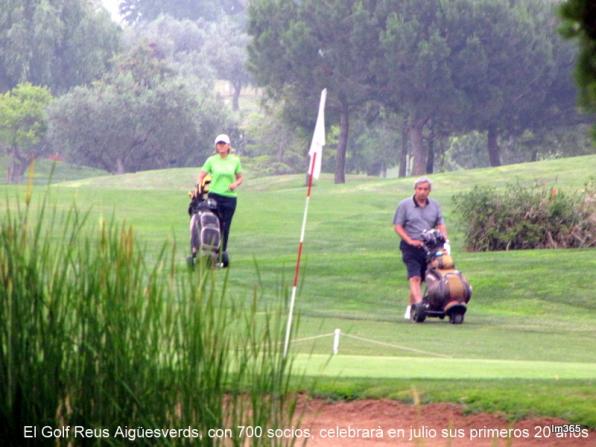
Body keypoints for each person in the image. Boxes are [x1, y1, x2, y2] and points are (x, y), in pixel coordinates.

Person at [393, 177, 448, 319]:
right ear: (415, 189)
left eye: (425, 189)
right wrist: (410, 240)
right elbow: (398, 227)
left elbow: (440, 224)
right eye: (419, 189)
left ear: (429, 191)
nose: (422, 192)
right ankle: (419, 305)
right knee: (415, 277)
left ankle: (411, 308)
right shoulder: (404, 205)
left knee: (425, 279)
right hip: (410, 247)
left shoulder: (435, 206)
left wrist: (445, 240)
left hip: (429, 248)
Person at [197, 134, 243, 262]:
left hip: (230, 198)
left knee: (225, 226)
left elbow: (240, 177)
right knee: (213, 224)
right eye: (219, 144)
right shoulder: (211, 160)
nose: (221, 146)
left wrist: (235, 184)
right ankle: (211, 252)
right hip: (214, 196)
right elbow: (201, 176)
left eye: (223, 144)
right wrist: (200, 188)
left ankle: (222, 252)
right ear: (216, 146)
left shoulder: (235, 160)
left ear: (228, 146)